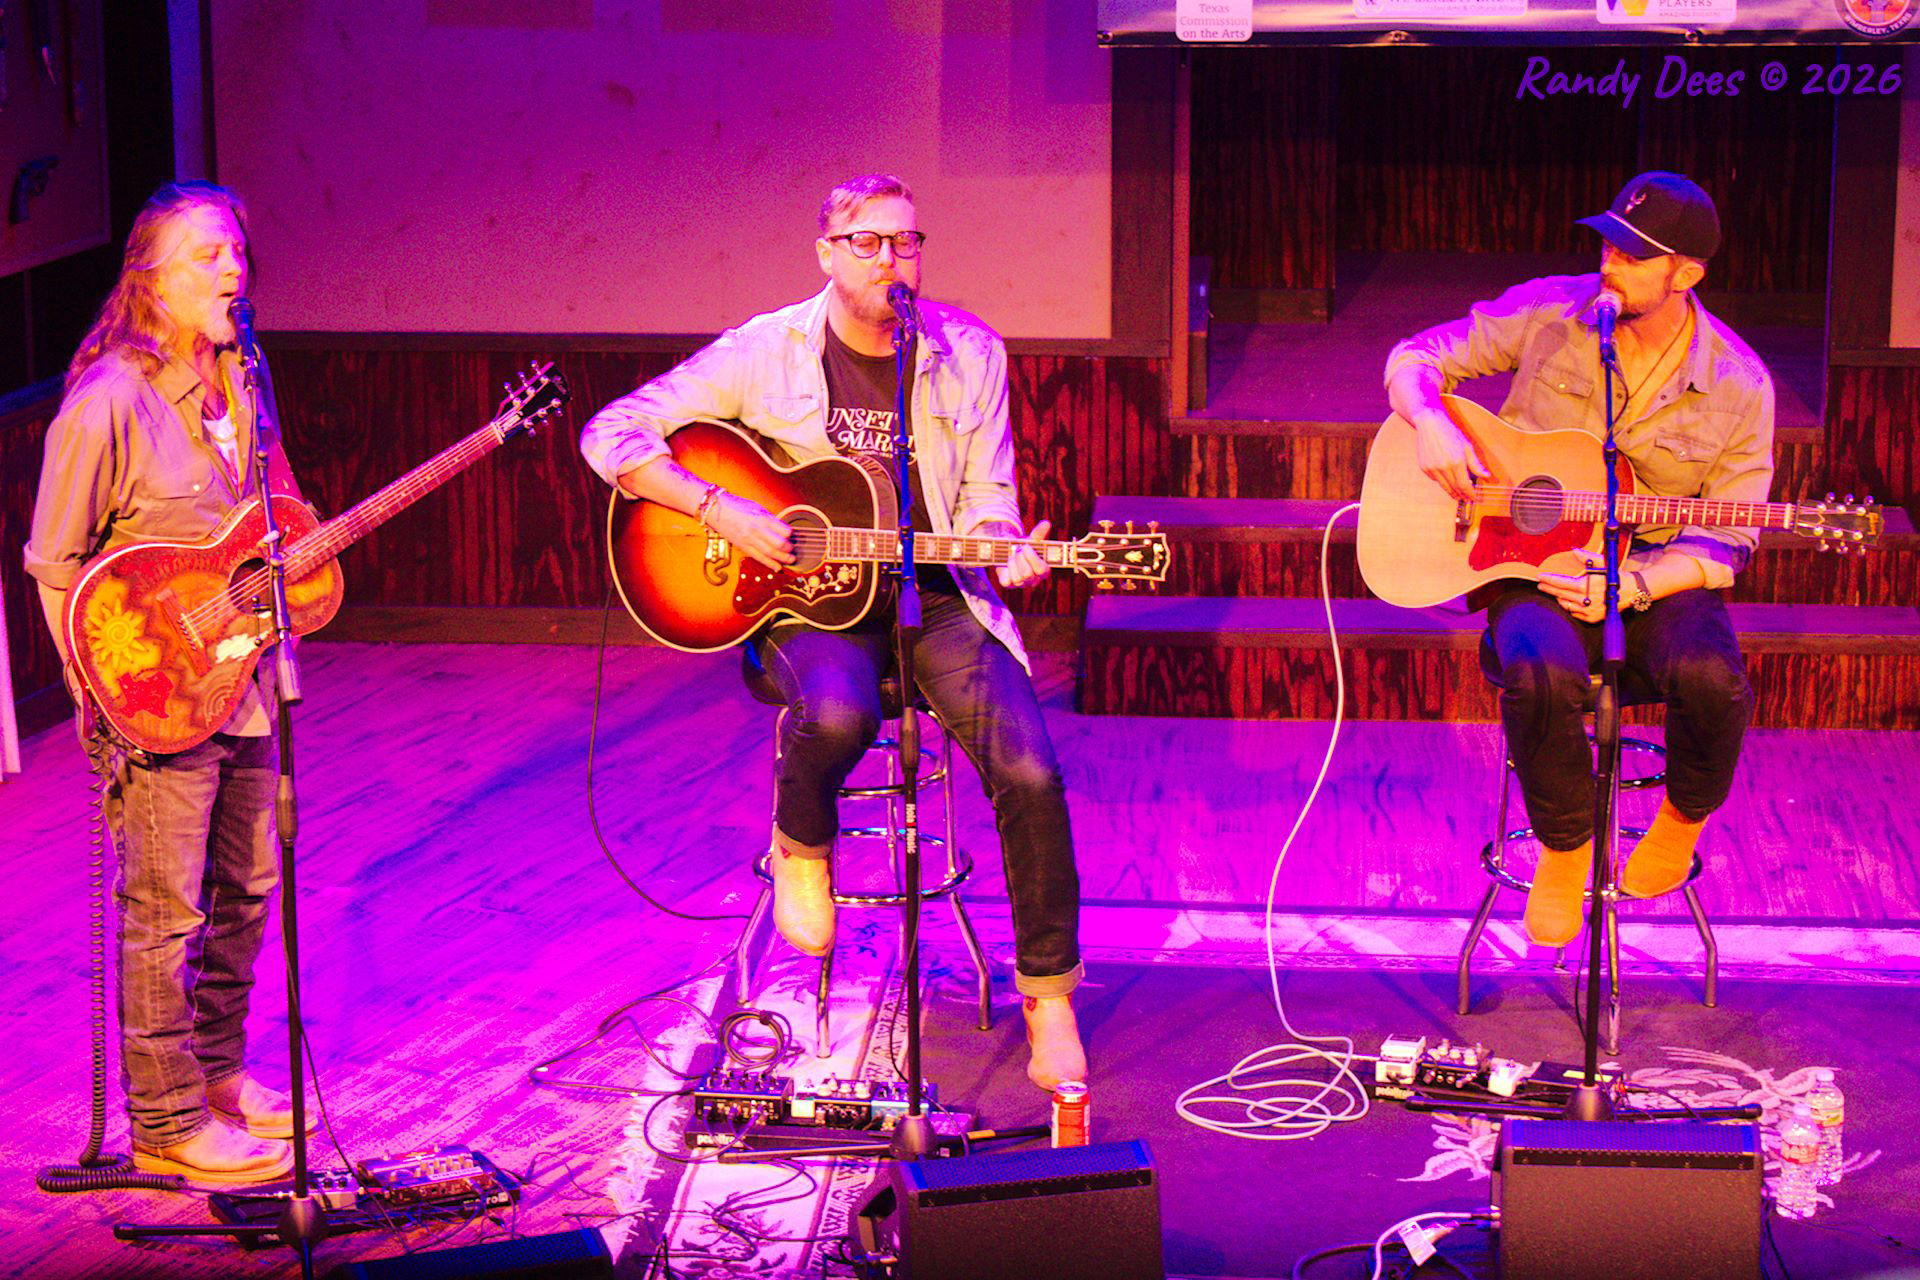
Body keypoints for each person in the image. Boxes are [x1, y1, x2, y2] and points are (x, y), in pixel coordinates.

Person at [581, 174, 1086, 1088]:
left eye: (908, 241)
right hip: (799, 605)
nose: (894, 260)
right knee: (842, 714)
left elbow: (987, 500)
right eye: (870, 242)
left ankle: (1049, 998)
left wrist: (1007, 546)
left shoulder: (968, 351)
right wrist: (718, 507)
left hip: (935, 596)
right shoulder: (765, 349)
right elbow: (610, 430)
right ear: (826, 253)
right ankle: (801, 843)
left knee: (1030, 770)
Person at [1383, 171, 1774, 947]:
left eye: (1634, 255)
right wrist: (1430, 418)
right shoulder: (1550, 309)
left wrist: (1632, 580)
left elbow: (1731, 538)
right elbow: (1415, 356)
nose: (1608, 263)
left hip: (1653, 571)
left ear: (1686, 273)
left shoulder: (1738, 384)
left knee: (1713, 680)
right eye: (1608, 243)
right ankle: (1568, 847)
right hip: (1531, 560)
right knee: (1535, 668)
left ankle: (1682, 818)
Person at [26, 183, 309, 1184]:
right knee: (165, 907)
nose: (233, 270)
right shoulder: (109, 399)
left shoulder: (245, 381)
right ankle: (164, 1117)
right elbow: (54, 560)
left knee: (247, 886)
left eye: (236, 251)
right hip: (158, 691)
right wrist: (106, 688)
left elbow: (266, 515)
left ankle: (221, 1075)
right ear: (152, 278)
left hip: (246, 677)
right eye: (207, 255)